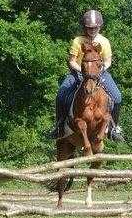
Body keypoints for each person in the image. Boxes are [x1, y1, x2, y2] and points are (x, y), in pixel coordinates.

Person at [49, 9, 124, 141]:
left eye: (95, 28)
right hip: (78, 73)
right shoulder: (78, 41)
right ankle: (59, 126)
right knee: (61, 94)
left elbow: (108, 61)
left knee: (117, 97)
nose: (92, 30)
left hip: (100, 73)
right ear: (85, 27)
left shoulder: (105, 41)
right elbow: (72, 61)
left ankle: (114, 128)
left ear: (99, 27)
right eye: (89, 28)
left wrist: (100, 70)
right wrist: (82, 71)